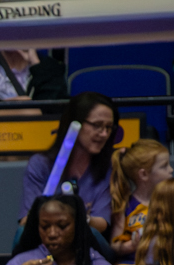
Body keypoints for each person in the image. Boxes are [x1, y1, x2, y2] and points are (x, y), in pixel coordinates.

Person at [17, 92, 119, 237]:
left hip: (88, 243)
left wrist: (73, 218)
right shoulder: (40, 164)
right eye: (97, 125)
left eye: (108, 127)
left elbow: (102, 224)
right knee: (21, 234)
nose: (104, 134)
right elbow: (26, 220)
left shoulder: (109, 167)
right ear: (74, 124)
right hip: (45, 240)